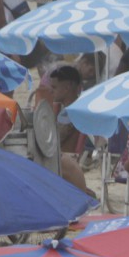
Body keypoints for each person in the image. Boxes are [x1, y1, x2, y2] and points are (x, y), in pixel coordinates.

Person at [44, 65, 95, 195]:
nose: (51, 91)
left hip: (62, 161)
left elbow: (53, 139)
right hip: (65, 159)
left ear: (67, 88)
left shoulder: (71, 113)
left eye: (54, 87)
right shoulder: (74, 109)